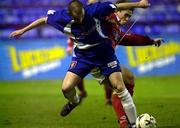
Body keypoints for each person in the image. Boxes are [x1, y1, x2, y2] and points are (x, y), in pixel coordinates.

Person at [9, 0, 150, 127]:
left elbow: (117, 6)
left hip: (104, 54)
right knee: (66, 88)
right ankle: (75, 101)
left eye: (82, 15)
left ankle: (132, 124)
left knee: (120, 87)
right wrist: (23, 30)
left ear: (84, 9)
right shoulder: (61, 17)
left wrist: (138, 4)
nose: (82, 19)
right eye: (78, 18)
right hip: (83, 57)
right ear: (70, 15)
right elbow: (44, 20)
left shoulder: (94, 10)